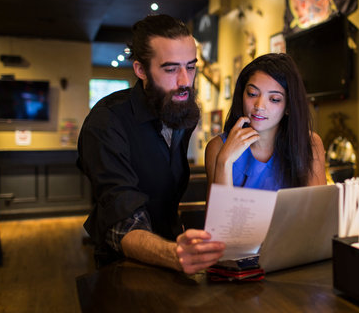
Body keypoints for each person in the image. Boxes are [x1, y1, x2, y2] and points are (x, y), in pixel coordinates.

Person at [77, 14, 225, 273]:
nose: (184, 81)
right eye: (170, 69)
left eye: (190, 67)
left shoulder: (179, 111)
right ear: (141, 70)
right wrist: (174, 254)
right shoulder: (106, 122)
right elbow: (123, 221)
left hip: (172, 253)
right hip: (123, 268)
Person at [205, 53, 326, 191]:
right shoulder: (218, 147)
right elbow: (218, 212)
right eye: (252, 94)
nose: (259, 106)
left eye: (274, 99)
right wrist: (224, 161)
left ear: (288, 107)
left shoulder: (310, 144)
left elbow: (316, 210)